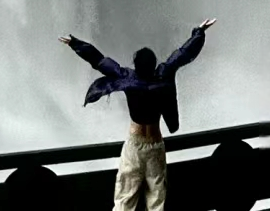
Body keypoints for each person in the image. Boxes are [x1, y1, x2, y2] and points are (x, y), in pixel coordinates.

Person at [61, 18, 216, 210]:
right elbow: (182, 55)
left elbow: (100, 61)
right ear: (154, 65)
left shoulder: (128, 78)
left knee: (125, 198)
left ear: (136, 65)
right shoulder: (163, 76)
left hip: (135, 144)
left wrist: (75, 44)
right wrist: (199, 31)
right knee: (157, 199)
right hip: (155, 145)